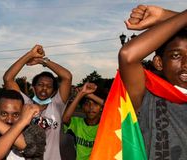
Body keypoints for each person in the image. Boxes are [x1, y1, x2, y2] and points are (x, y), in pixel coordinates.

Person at [119, 5, 187, 159]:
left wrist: (164, 15)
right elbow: (127, 55)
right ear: (159, 63)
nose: (186, 63)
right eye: (176, 56)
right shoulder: (148, 96)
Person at [3, 44, 72, 160]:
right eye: (40, 85)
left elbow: (67, 77)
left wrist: (42, 61)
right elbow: (8, 78)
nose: (44, 89)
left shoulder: (57, 105)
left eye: (49, 86)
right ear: (33, 87)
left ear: (54, 91)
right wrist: (30, 54)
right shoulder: (25, 103)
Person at [0, 89, 46, 160]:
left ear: (22, 114)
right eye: (4, 114)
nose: (9, 120)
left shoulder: (36, 131)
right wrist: (23, 121)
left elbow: (30, 148)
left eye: (15, 115)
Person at [62, 82, 104, 160]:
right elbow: (65, 119)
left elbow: (112, 107)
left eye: (95, 104)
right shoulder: (77, 123)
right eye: (87, 103)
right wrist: (81, 94)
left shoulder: (106, 125)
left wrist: (89, 95)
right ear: (82, 107)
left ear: (101, 108)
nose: (91, 107)